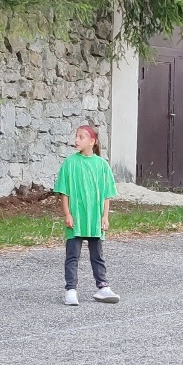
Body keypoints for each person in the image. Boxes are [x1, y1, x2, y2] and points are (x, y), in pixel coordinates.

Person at [54, 124, 120, 305]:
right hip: (76, 219)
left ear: (92, 141)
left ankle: (103, 287)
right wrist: (67, 214)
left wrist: (105, 217)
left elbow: (106, 194)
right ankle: (71, 290)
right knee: (72, 255)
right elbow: (64, 192)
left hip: (94, 220)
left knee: (97, 255)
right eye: (76, 136)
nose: (76, 140)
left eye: (81, 137)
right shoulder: (70, 163)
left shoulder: (102, 165)